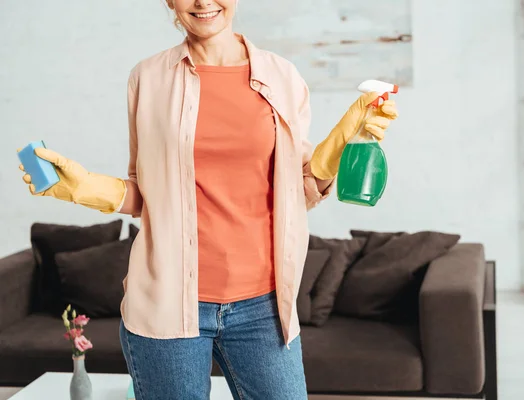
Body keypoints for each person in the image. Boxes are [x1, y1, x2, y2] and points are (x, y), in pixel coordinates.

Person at [17, 0, 398, 399]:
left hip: (263, 306)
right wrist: (82, 186)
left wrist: (342, 141)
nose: (202, 2)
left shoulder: (282, 76)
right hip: (168, 301)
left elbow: (297, 190)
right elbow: (147, 193)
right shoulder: (148, 78)